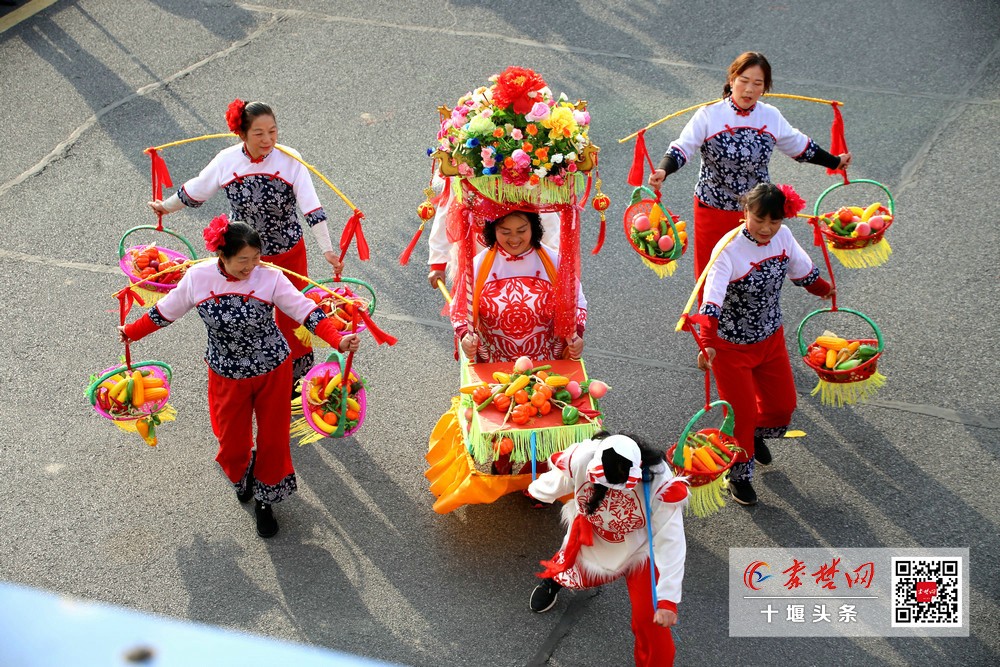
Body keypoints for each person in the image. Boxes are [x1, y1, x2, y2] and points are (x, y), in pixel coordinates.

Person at [119, 216, 360, 538]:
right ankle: (244, 471)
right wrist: (132, 332)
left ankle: (265, 500)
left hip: (273, 370)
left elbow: (306, 311)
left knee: (273, 440)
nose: (251, 267)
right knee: (231, 444)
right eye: (243, 260)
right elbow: (165, 311)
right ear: (223, 256)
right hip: (225, 373)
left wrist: (337, 339)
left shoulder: (270, 279)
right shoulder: (198, 278)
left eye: (256, 259)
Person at [148, 99, 343, 383]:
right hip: (242, 257)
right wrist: (166, 207)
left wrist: (327, 249)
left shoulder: (291, 159)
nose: (268, 140)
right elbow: (197, 189)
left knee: (294, 318)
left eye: (273, 132)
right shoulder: (227, 160)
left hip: (287, 254)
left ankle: (295, 383)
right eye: (259, 133)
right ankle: (253, 377)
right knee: (245, 318)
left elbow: (311, 207)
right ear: (242, 134)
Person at [647, 51, 852, 282]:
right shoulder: (709, 115)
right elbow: (682, 147)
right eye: (744, 81)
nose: (749, 89)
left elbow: (800, 146)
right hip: (713, 209)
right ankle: (709, 318)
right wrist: (664, 169)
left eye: (757, 84)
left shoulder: (770, 116)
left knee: (752, 275)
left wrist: (835, 161)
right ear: (732, 80)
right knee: (712, 275)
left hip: (757, 213)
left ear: (764, 88)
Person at [694, 183, 834, 506]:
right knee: (741, 416)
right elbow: (711, 301)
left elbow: (804, 271)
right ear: (745, 212)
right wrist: (707, 343)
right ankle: (738, 476)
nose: (767, 228)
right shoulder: (727, 249)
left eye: (775, 221)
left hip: (771, 339)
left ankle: (755, 437)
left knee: (782, 405)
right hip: (731, 349)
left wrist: (824, 289)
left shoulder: (783, 238)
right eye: (759, 220)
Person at [527, 432, 687, 667]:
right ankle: (555, 580)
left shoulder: (659, 483)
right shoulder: (582, 457)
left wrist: (668, 601)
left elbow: (672, 541)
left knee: (650, 622)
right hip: (594, 534)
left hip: (639, 550)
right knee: (571, 569)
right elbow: (555, 482)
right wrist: (538, 490)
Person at [451, 210, 585, 362]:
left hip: (548, 365)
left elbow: (577, 302)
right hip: (493, 364)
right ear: (493, 229)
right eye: (505, 232)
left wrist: (577, 334)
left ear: (533, 228)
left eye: (521, 230)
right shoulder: (477, 265)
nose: (514, 239)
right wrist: (465, 335)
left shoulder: (555, 262)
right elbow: (460, 308)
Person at [426, 175, 561, 290]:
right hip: (480, 253)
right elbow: (448, 213)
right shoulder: (463, 167)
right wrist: (438, 262)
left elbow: (545, 218)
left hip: (526, 257)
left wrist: (555, 264)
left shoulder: (526, 168)